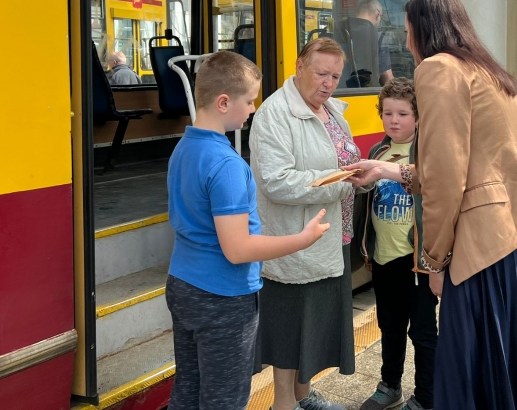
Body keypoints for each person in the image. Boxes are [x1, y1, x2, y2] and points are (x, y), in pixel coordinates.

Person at [346, 0, 517, 409]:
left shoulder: (438, 69)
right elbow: (474, 165)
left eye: (407, 32)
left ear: (424, 30)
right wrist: (386, 169)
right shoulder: (489, 71)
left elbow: (446, 177)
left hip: (485, 250)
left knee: (477, 377)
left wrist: (433, 262)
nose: (406, 43)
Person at [165, 50, 331, 410]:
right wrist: (302, 239)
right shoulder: (226, 164)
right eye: (249, 100)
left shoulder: (183, 148)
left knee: (188, 389)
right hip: (223, 296)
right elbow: (237, 249)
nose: (253, 109)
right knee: (224, 398)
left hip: (182, 284)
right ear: (224, 102)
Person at [249, 37, 362, 410]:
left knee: (311, 328)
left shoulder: (331, 109)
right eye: (321, 73)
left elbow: (343, 161)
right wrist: (343, 183)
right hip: (296, 241)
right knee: (289, 329)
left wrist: (362, 175)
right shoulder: (274, 113)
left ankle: (304, 396)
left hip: (330, 236)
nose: (328, 83)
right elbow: (276, 181)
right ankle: (284, 404)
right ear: (299, 66)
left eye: (335, 76)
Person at [355, 78, 437, 410]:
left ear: (418, 117)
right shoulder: (378, 151)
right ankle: (390, 386)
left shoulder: (426, 152)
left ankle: (427, 397)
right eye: (387, 113)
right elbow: (368, 200)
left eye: (403, 114)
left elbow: (432, 186)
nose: (394, 120)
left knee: (423, 332)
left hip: (416, 260)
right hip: (384, 257)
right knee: (389, 326)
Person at [337, 0, 393, 88]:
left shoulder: (336, 29)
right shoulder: (377, 37)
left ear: (356, 13)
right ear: (378, 15)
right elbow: (386, 77)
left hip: (335, 91)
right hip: (366, 91)